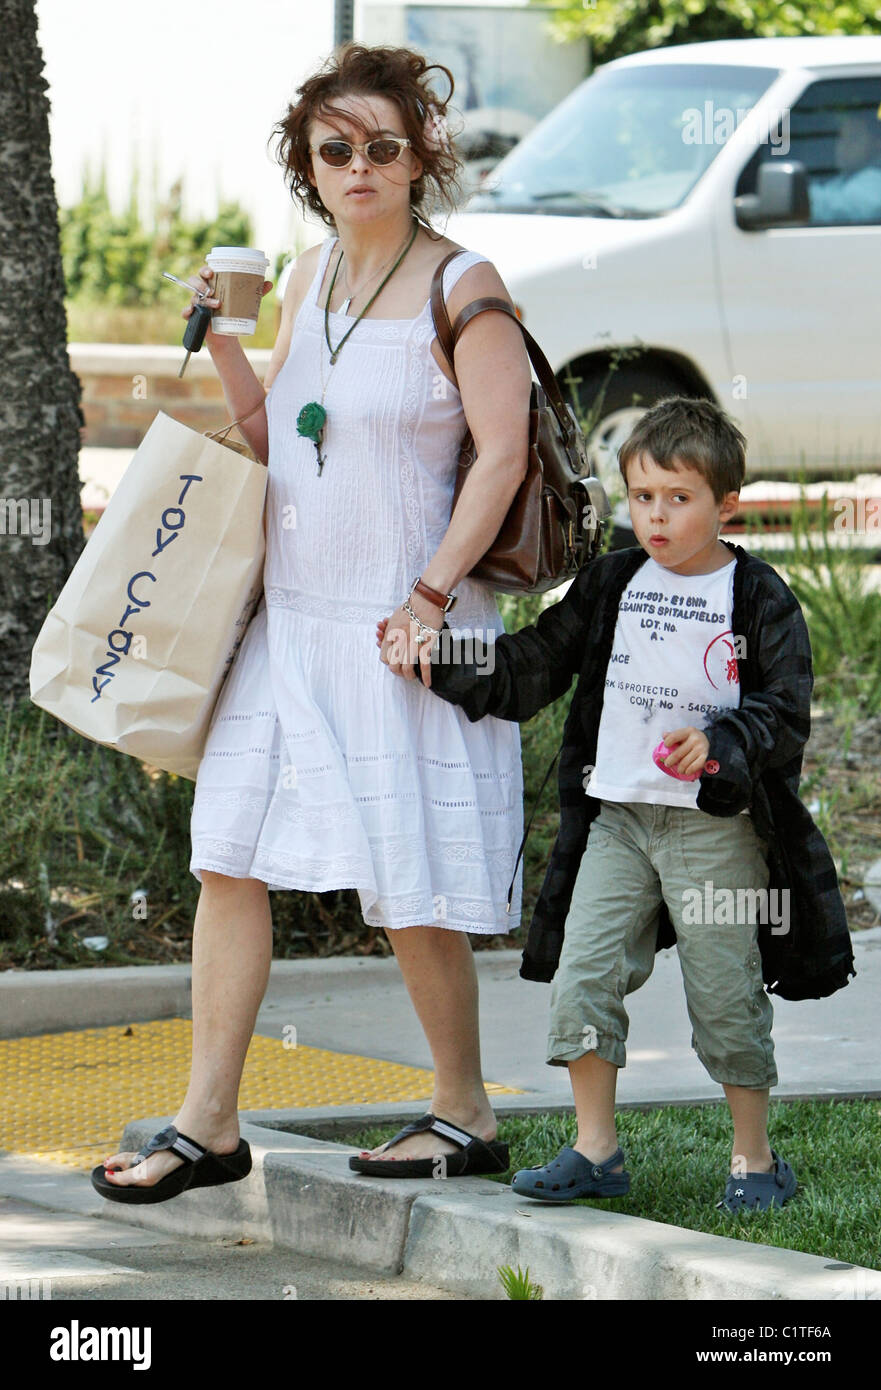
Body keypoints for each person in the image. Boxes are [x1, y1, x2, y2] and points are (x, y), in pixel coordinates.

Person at [92, 43, 532, 1202]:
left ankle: (464, 1110)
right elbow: (273, 433)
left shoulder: (463, 284)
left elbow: (504, 456)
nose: (358, 168)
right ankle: (209, 1124)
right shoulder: (304, 276)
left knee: (410, 880)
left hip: (402, 625)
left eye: (381, 147)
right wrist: (226, 339)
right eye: (334, 149)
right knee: (224, 853)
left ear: (418, 155)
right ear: (308, 163)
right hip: (290, 624)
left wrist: (429, 596)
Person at [392, 395, 854, 1212]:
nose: (658, 516)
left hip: (714, 829)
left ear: (726, 505)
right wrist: (438, 655)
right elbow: (532, 659)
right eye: (643, 497)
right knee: (583, 979)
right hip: (615, 821)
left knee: (723, 995)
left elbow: (786, 709)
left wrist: (721, 742)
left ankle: (755, 1161)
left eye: (679, 499)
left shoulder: (757, 595)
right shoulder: (612, 579)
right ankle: (594, 1151)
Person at [809, 105, 881, 224]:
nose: (843, 145)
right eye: (841, 137)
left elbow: (836, 208)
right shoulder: (842, 179)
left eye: (853, 138)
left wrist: (794, 197)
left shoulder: (875, 180)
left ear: (877, 145)